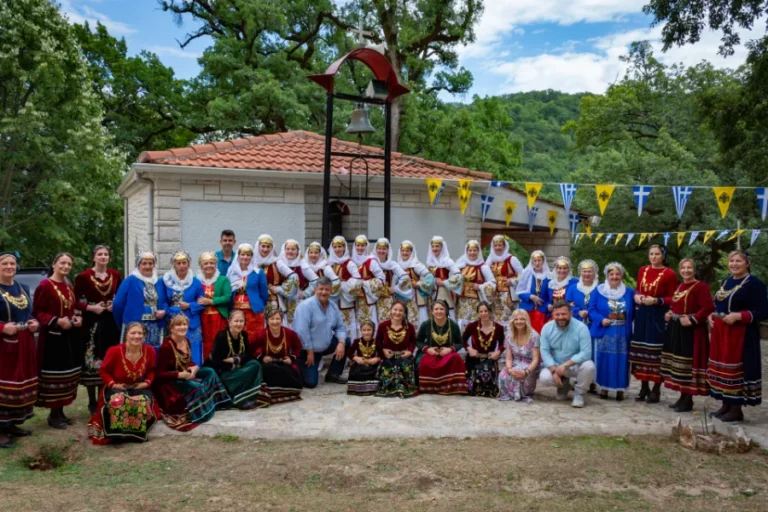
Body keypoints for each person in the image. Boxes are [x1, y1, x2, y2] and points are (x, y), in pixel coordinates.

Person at [707, 250, 768, 422]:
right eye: (731, 260)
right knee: (722, 367)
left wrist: (740, 316)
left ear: (747, 263)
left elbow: (764, 311)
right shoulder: (726, 281)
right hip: (722, 332)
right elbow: (718, 303)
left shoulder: (754, 284)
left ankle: (736, 409)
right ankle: (725, 404)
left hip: (741, 334)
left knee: (736, 369)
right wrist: (711, 314)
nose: (734, 264)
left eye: (738, 261)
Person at [33, 253, 89, 429]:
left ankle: (60, 412)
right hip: (53, 338)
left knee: (67, 374)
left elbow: (72, 308)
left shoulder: (68, 285)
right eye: (62, 263)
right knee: (55, 375)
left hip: (69, 337)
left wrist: (77, 318)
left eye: (69, 264)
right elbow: (38, 311)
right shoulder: (45, 285)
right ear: (54, 264)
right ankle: (53, 415)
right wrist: (56, 321)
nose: (65, 267)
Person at [153, 315, 231, 431]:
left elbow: (187, 361)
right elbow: (159, 374)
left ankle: (217, 402)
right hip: (171, 381)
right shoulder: (166, 346)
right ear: (171, 328)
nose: (182, 327)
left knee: (210, 371)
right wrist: (179, 375)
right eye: (178, 325)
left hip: (185, 373)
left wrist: (194, 367)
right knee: (195, 386)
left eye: (184, 324)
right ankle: (201, 411)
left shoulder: (186, 341)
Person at [87, 323, 160, 445]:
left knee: (143, 401)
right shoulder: (114, 351)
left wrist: (146, 383)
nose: (136, 336)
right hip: (116, 386)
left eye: (140, 333)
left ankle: (136, 434)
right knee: (119, 400)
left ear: (144, 335)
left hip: (138, 386)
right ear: (126, 335)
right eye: (133, 333)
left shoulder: (149, 350)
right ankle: (117, 435)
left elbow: (152, 370)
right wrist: (114, 385)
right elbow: (103, 371)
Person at [660, 259, 713, 412]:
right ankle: (682, 396)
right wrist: (670, 312)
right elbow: (676, 305)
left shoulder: (701, 287)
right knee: (679, 364)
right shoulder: (680, 286)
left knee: (688, 364)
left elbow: (708, 307)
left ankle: (688, 399)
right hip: (677, 328)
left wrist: (692, 319)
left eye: (689, 268)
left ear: (694, 270)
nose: (686, 270)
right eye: (683, 268)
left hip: (692, 330)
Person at [75, 245, 123, 414]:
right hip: (92, 322)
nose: (103, 257)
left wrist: (114, 305)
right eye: (100, 254)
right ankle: (92, 401)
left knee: (109, 357)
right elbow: (75, 301)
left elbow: (120, 296)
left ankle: (106, 397)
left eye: (106, 254)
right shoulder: (83, 276)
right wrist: (90, 307)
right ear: (94, 257)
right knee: (92, 358)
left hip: (110, 322)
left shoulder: (115, 275)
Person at [0, 252, 40, 447]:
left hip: (24, 343)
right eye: (5, 264)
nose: (9, 267)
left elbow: (29, 313)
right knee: (4, 385)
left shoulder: (23, 288)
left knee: (20, 384)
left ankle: (11, 424)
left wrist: (34, 322)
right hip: (3, 345)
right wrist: (2, 327)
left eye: (12, 263)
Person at [629, 244, 678, 403]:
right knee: (641, 350)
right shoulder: (643, 270)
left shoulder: (669, 274)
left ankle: (656, 389)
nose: (654, 257)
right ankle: (644, 386)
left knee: (656, 352)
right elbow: (638, 289)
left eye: (657, 254)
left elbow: (673, 298)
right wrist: (637, 296)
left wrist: (657, 300)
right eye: (651, 254)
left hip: (658, 315)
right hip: (642, 314)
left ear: (663, 256)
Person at [589, 262, 635, 401]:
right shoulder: (599, 291)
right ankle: (604, 388)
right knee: (604, 358)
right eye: (611, 274)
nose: (614, 277)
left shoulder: (629, 292)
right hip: (605, 330)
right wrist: (600, 319)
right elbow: (592, 309)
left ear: (621, 275)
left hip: (622, 331)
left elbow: (635, 310)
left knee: (622, 360)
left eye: (617, 274)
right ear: (607, 276)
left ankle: (620, 389)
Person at [206, 309, 269, 409]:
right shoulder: (221, 336)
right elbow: (216, 361)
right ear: (229, 322)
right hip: (223, 372)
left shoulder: (244, 335)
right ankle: (239, 397)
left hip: (237, 368)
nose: (239, 324)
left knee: (255, 364)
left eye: (241, 321)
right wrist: (232, 365)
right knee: (241, 374)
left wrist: (235, 360)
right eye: (236, 321)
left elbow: (248, 355)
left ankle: (251, 395)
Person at [293, 276, 349, 387]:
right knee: (311, 383)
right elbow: (301, 332)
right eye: (321, 289)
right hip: (307, 350)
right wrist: (309, 351)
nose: (324, 292)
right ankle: (297, 367)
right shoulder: (305, 306)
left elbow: (340, 327)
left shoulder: (333, 307)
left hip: (325, 345)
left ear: (331, 291)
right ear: (315, 290)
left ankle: (333, 374)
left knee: (346, 341)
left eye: (327, 289)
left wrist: (341, 343)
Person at [538, 301, 595, 408]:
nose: (560, 317)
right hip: (557, 365)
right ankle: (564, 385)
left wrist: (566, 365)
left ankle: (579, 394)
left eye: (564, 314)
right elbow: (545, 351)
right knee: (544, 377)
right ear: (553, 315)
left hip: (575, 365)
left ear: (571, 314)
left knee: (589, 366)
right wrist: (554, 371)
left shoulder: (581, 328)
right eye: (557, 314)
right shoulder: (547, 328)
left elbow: (586, 352)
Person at [157, 251, 206, 365]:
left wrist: (190, 305)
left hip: (192, 323)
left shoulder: (196, 282)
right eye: (178, 263)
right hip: (172, 321)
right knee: (174, 350)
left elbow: (202, 303)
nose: (182, 266)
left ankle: (195, 371)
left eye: (184, 263)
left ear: (189, 264)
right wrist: (167, 311)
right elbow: (163, 301)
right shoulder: (165, 281)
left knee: (194, 350)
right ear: (174, 265)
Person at [112, 251, 166, 351]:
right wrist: (124, 323)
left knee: (152, 353)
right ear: (138, 265)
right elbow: (118, 304)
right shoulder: (130, 281)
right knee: (134, 352)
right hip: (135, 325)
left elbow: (165, 300)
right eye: (144, 263)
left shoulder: (158, 282)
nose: (147, 266)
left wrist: (164, 311)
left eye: (150, 263)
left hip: (154, 326)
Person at [252, 307, 303, 404]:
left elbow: (298, 346)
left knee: (296, 380)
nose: (275, 322)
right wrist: (262, 357)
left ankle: (279, 387)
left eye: (277, 319)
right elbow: (251, 348)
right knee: (266, 369)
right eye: (272, 319)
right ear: (267, 320)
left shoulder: (289, 333)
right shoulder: (262, 335)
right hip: (269, 365)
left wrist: (291, 357)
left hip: (285, 364)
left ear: (282, 320)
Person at [416, 300, 467, 395]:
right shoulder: (426, 324)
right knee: (425, 363)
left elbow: (460, 343)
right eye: (436, 309)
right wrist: (428, 349)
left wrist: (450, 349)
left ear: (446, 311)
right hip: (431, 352)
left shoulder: (453, 325)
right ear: (432, 311)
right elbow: (418, 341)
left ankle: (452, 387)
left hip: (447, 353)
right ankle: (429, 387)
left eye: (441, 309)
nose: (438, 311)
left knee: (456, 359)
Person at [566, 259, 600, 394]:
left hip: (594, 325)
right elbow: (567, 305)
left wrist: (592, 313)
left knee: (593, 352)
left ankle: (592, 382)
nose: (587, 274)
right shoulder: (573, 288)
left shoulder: (600, 288)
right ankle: (577, 380)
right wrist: (577, 311)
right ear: (580, 272)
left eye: (590, 271)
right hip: (577, 324)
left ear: (594, 273)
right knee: (577, 350)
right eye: (584, 271)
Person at [375, 301, 418, 398]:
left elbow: (413, 341)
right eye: (395, 309)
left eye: (401, 310)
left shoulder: (409, 326)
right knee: (388, 367)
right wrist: (383, 351)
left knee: (404, 366)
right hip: (388, 357)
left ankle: (403, 388)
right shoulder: (383, 326)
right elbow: (378, 341)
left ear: (404, 313)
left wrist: (410, 351)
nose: (397, 313)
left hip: (404, 356)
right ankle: (389, 388)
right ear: (390, 311)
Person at [227, 243, 269, 342]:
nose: (245, 257)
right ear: (238, 256)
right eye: (243, 254)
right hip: (235, 309)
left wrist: (258, 304)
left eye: (248, 255)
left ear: (251, 257)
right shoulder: (231, 272)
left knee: (253, 337)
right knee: (237, 335)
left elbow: (264, 294)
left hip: (253, 311)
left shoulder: (258, 272)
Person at [253, 234, 298, 324]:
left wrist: (279, 289)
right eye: (263, 246)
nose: (265, 249)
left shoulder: (277, 262)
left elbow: (294, 277)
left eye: (268, 247)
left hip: (272, 301)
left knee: (274, 324)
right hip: (256, 300)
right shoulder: (252, 262)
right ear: (258, 246)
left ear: (272, 248)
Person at [462, 302, 503, 398]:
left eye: (486, 311)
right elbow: (462, 340)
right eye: (481, 311)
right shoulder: (472, 326)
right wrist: (469, 348)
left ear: (490, 312)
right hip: (474, 359)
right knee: (473, 385)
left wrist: (498, 352)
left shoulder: (498, 328)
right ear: (478, 313)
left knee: (490, 385)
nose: (484, 314)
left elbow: (503, 344)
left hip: (490, 359)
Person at [484, 235, 524, 334]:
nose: (498, 248)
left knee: (508, 318)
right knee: (494, 318)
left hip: (507, 295)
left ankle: (509, 339)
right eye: (495, 245)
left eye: (500, 245)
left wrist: (512, 281)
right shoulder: (490, 260)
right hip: (494, 296)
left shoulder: (511, 259)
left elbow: (522, 274)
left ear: (504, 246)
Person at [498, 309, 540, 403]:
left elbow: (535, 359)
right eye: (516, 319)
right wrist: (509, 369)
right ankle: (509, 394)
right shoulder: (509, 336)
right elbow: (509, 358)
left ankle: (521, 394)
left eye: (522, 319)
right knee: (503, 375)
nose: (519, 321)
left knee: (519, 375)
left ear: (526, 320)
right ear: (513, 321)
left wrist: (526, 371)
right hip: (514, 363)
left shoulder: (534, 336)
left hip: (529, 366)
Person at [196, 252, 231, 361]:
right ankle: (206, 364)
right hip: (202, 317)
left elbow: (227, 297)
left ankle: (220, 364)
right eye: (206, 263)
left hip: (218, 318)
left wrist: (211, 301)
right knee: (204, 341)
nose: (209, 265)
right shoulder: (196, 280)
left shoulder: (223, 279)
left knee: (219, 341)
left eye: (212, 263)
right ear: (201, 266)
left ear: (216, 265)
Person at [455, 241, 496, 332]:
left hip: (476, 301)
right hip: (462, 301)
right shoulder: (461, 265)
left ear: (478, 252)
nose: (472, 253)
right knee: (462, 323)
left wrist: (480, 286)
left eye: (474, 250)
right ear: (466, 251)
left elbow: (492, 283)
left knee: (475, 323)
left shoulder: (483, 267)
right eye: (470, 250)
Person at [326, 236, 362, 340]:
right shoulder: (329, 263)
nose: (337, 249)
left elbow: (357, 280)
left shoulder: (349, 263)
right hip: (332, 299)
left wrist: (342, 285)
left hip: (345, 300)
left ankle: (348, 345)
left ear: (344, 247)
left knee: (347, 324)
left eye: (339, 246)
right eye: (335, 247)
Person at [278, 239, 318, 328]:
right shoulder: (279, 264)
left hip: (296, 301)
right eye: (288, 249)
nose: (290, 251)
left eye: (293, 249)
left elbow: (316, 281)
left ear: (297, 251)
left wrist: (305, 293)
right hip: (281, 299)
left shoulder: (302, 265)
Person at [372, 238, 413, 324]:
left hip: (386, 299)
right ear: (376, 249)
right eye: (379, 248)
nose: (381, 251)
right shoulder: (371, 262)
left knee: (385, 323)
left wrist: (395, 289)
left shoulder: (392, 264)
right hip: (371, 298)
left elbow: (406, 278)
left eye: (384, 249)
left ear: (388, 250)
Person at [351, 235, 386, 332]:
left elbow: (381, 278)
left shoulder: (371, 261)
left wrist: (364, 284)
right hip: (354, 300)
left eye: (362, 245)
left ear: (366, 246)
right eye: (358, 245)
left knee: (369, 324)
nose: (360, 248)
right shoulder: (351, 261)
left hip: (367, 300)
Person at [425, 237, 462, 320]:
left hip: (444, 292)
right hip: (432, 292)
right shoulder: (429, 261)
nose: (434, 249)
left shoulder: (448, 261)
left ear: (442, 247)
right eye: (433, 246)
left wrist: (444, 283)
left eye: (437, 246)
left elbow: (459, 276)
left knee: (445, 311)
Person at [397, 240, 432, 329]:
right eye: (403, 251)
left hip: (414, 299)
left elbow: (430, 278)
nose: (405, 253)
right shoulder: (397, 266)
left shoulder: (416, 265)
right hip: (401, 299)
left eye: (407, 251)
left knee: (414, 322)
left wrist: (418, 284)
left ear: (411, 252)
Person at [516, 250, 550, 334]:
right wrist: (530, 296)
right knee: (525, 333)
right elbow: (519, 292)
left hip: (541, 310)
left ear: (543, 261)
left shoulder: (548, 276)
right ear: (532, 262)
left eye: (539, 260)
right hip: (527, 309)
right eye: (535, 261)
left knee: (538, 333)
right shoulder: (527, 274)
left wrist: (547, 305)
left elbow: (550, 295)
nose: (537, 263)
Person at [347, 320, 381, 396]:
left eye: (369, 330)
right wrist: (356, 358)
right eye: (364, 330)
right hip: (360, 364)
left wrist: (377, 359)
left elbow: (382, 354)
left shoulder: (376, 342)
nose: (366, 332)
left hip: (372, 364)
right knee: (356, 371)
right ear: (361, 330)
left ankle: (373, 388)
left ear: (373, 330)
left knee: (378, 372)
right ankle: (358, 388)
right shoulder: (357, 341)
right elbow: (349, 352)